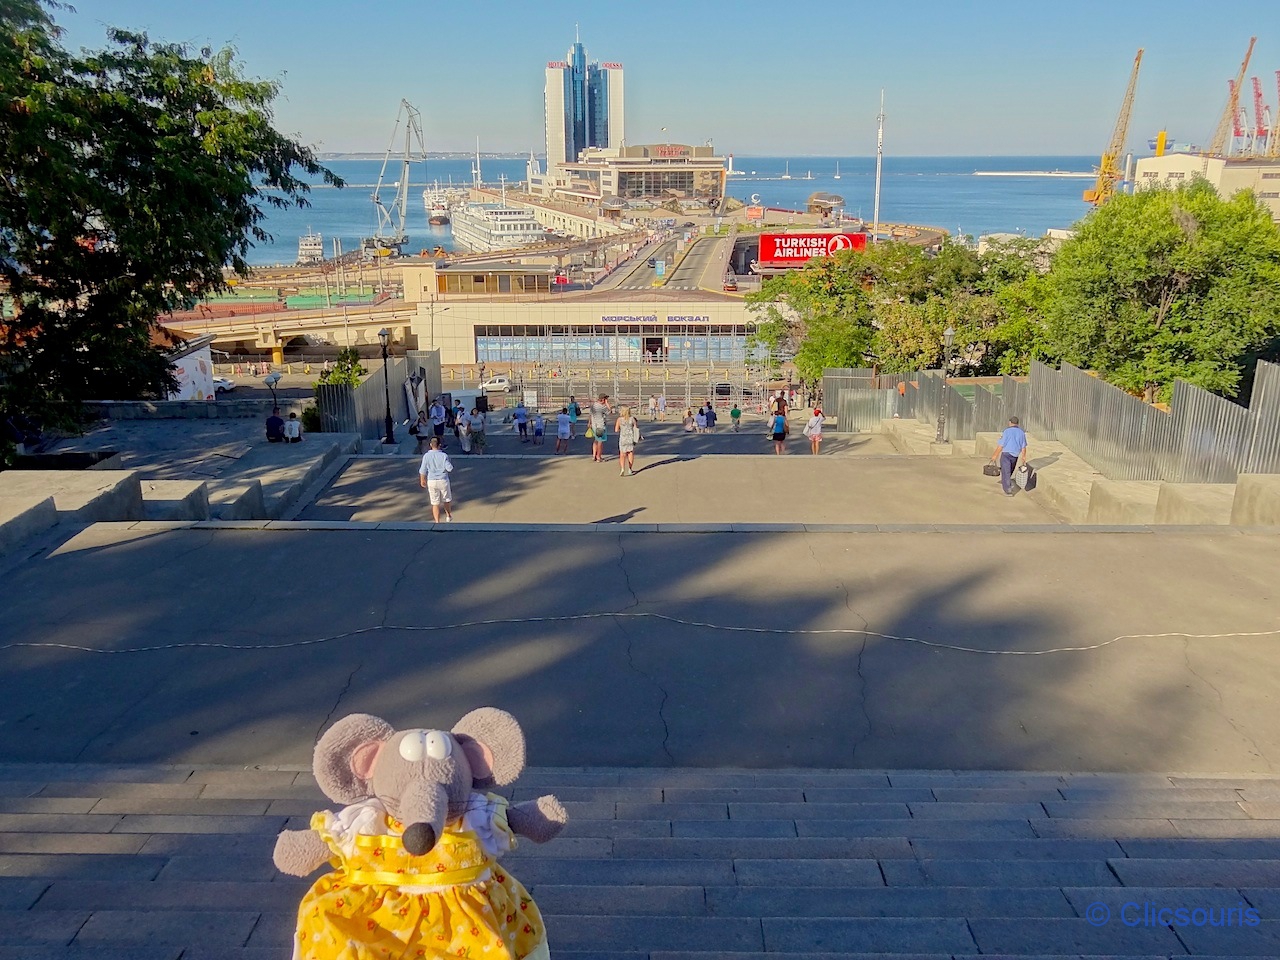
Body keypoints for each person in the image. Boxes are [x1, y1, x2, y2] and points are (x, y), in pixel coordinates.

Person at [417, 436, 454, 522]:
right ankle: (448, 515)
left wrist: (422, 480)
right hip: (443, 480)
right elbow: (450, 468)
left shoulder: (426, 456)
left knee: (435, 503)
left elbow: (422, 470)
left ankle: (437, 522)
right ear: (439, 445)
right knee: (446, 499)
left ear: (430, 445)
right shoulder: (444, 456)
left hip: (431, 481)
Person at [990, 415, 1029, 496]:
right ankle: (1006, 482)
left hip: (1006, 454)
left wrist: (995, 455)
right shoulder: (1022, 433)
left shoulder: (1006, 431)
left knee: (1006, 472)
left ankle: (1008, 489)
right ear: (1017, 423)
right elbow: (1023, 446)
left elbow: (1001, 445)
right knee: (1010, 470)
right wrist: (1024, 457)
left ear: (1010, 423)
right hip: (1015, 455)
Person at [615, 405, 640, 477]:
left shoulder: (619, 419)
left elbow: (616, 430)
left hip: (623, 438)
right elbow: (636, 428)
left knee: (622, 454)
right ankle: (630, 468)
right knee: (630, 453)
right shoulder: (632, 419)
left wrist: (621, 428)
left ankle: (622, 468)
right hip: (630, 438)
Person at [590, 393, 612, 462]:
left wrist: (589, 422)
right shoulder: (602, 407)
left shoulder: (594, 405)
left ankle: (594, 455)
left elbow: (591, 414)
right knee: (600, 442)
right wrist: (607, 404)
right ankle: (598, 457)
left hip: (594, 425)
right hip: (600, 426)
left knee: (596, 440)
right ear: (603, 400)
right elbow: (609, 412)